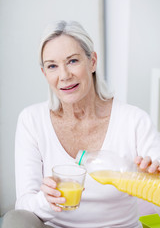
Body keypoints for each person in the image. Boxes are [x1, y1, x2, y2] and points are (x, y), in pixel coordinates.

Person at [2, 20, 160, 228]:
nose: (64, 75)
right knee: (14, 220)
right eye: (52, 66)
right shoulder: (32, 120)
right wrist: (47, 199)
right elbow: (24, 203)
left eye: (73, 61)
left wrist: (153, 176)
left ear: (92, 61)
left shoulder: (134, 120)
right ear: (45, 74)